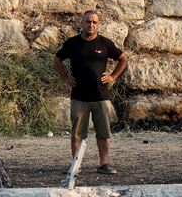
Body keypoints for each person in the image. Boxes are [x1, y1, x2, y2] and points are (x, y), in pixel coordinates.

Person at [53, 10, 129, 175]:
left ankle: (104, 164)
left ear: (98, 24)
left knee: (103, 132)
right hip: (79, 97)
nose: (91, 25)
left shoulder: (105, 44)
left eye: (94, 22)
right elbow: (57, 59)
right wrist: (65, 77)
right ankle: (76, 165)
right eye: (88, 22)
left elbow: (123, 58)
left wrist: (113, 76)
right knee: (77, 133)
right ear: (82, 23)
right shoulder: (72, 43)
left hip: (101, 96)